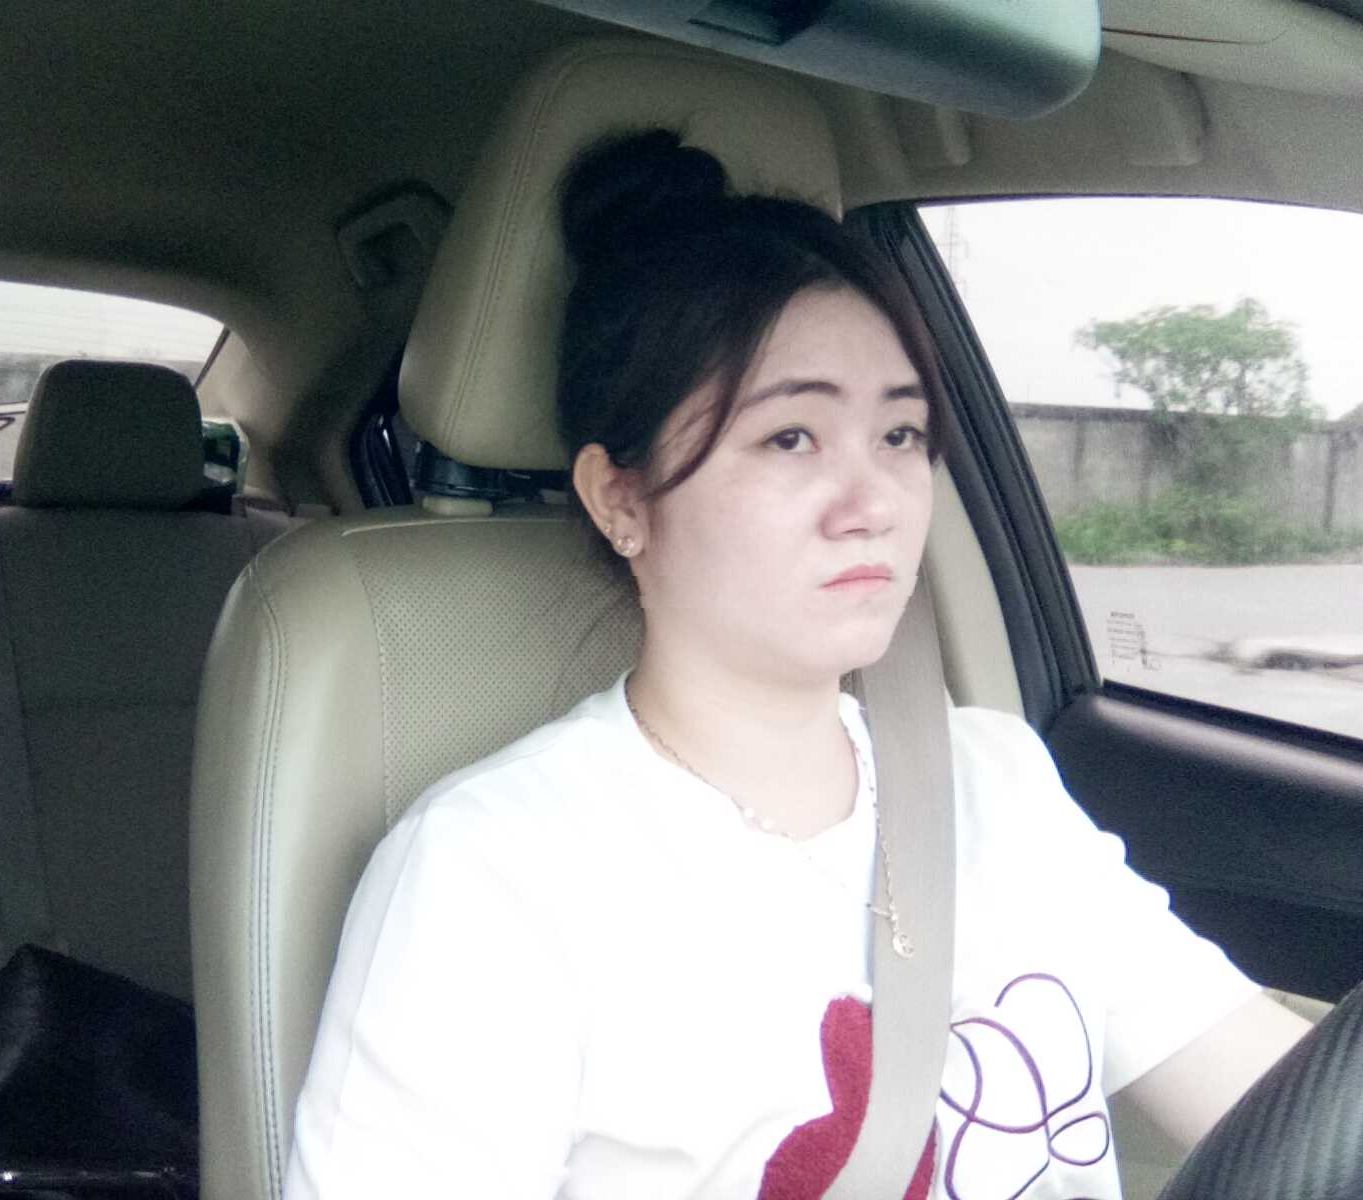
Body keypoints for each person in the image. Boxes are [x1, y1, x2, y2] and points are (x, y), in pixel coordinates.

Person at [285, 129, 1310, 1199]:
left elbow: (1284, 1110)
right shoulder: (494, 873)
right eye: (791, 438)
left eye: (900, 436)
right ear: (620, 499)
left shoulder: (994, 783)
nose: (874, 504)